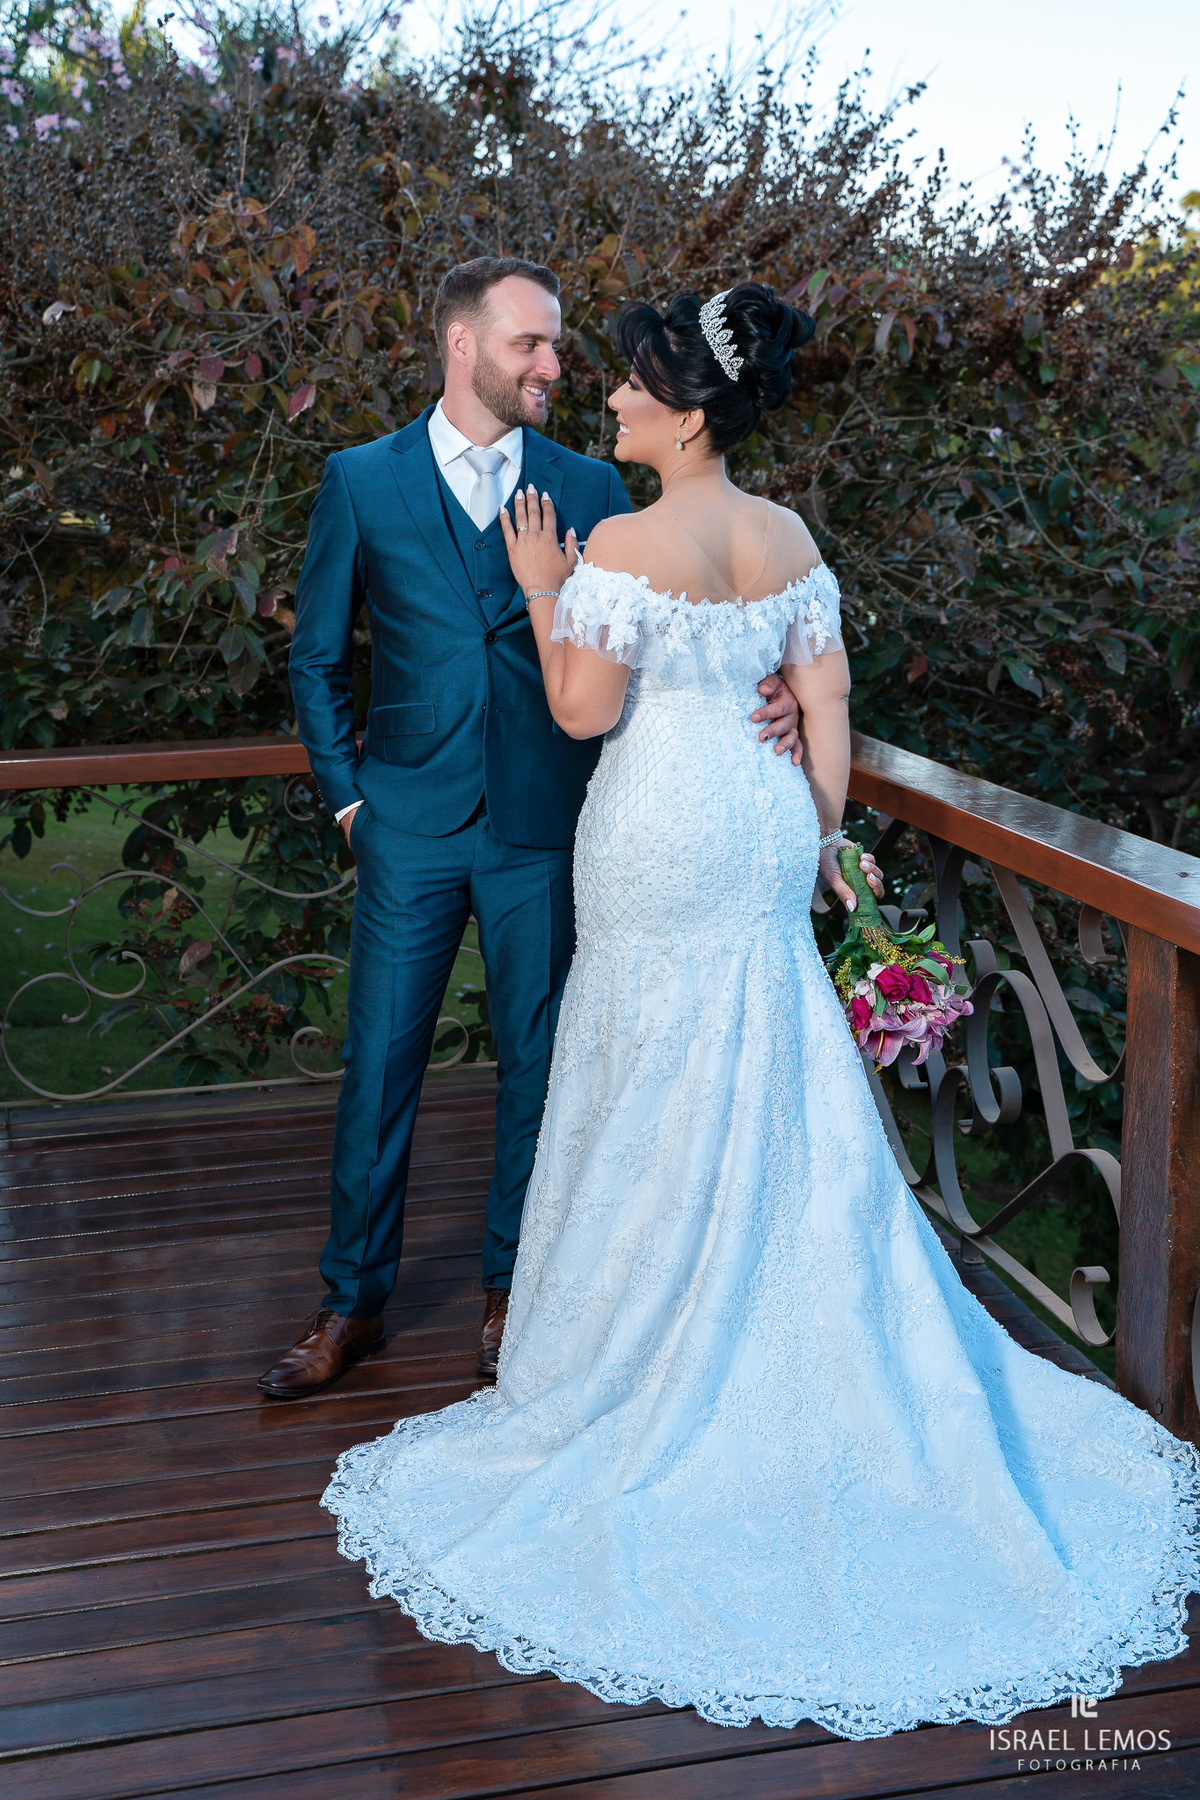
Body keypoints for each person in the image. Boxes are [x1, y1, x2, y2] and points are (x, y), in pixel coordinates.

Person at [320, 282, 1200, 1738]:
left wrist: (546, 591)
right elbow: (830, 725)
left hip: (658, 833)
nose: (605, 400)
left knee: (644, 1075)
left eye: (628, 387)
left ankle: (640, 1355)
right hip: (759, 836)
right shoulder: (788, 539)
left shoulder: (613, 536)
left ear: (681, 404)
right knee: (770, 1067)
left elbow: (586, 713)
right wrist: (807, 788)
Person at [260, 259, 804, 1396]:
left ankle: (517, 1293)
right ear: (465, 348)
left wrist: (785, 690)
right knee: (380, 1068)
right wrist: (352, 796)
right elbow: (316, 657)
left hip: (548, 821)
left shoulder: (593, 483)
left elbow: (677, 624)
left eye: (556, 346)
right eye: (531, 347)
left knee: (541, 1068)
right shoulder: (360, 480)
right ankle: (350, 1301)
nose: (556, 367)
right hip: (406, 819)